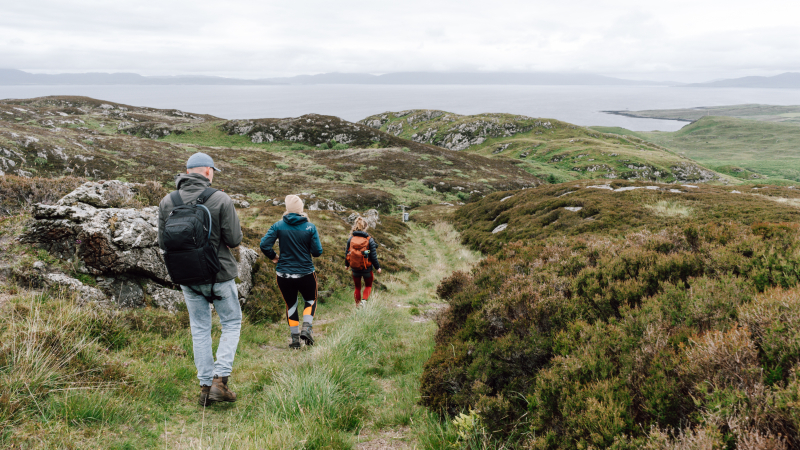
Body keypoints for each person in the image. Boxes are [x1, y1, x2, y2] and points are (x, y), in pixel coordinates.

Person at [157, 152, 243, 407]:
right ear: (207, 172)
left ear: (186, 172)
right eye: (213, 171)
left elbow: (163, 242)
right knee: (231, 322)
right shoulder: (220, 198)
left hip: (187, 276)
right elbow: (235, 240)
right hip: (219, 274)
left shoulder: (167, 201)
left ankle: (205, 387)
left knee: (200, 328)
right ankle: (220, 381)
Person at [259, 195, 324, 349]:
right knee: (310, 300)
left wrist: (274, 257)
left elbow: (264, 245)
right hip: (306, 273)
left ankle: (295, 341)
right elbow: (317, 252)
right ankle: (306, 328)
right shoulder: (310, 227)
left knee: (291, 305)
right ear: (301, 209)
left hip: (284, 274)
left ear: (287, 209)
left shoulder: (278, 226)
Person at [345, 216, 381, 306]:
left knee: (357, 287)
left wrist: (346, 265)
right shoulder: (369, 240)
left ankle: (357, 306)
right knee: (368, 286)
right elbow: (373, 256)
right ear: (365, 226)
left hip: (355, 268)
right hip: (367, 268)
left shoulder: (351, 239)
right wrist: (378, 267)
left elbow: (347, 253)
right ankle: (364, 301)